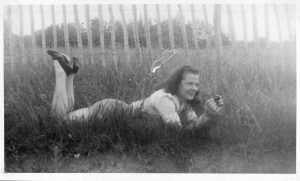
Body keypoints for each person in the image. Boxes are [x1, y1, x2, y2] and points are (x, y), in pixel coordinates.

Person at [47, 50, 224, 130]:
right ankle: (60, 71)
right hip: (113, 111)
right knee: (58, 122)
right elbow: (180, 134)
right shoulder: (166, 100)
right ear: (178, 83)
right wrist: (206, 116)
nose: (194, 88)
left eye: (196, 84)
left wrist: (208, 111)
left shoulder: (184, 101)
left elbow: (192, 122)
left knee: (65, 118)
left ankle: (70, 74)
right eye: (190, 84)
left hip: (118, 110)